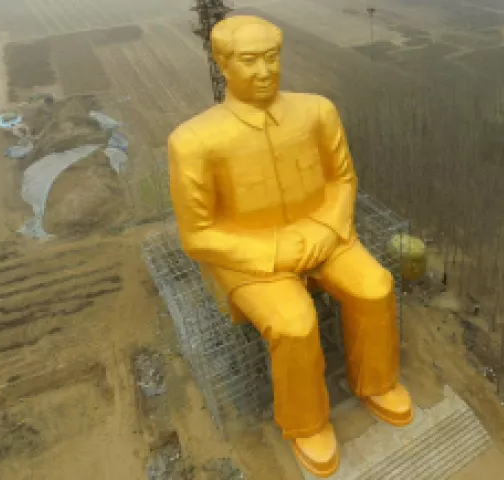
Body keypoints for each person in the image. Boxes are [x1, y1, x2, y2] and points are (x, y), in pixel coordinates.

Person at [167, 15, 412, 477]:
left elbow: (342, 179)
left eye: (271, 58)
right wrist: (276, 253)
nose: (263, 72)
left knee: (375, 286)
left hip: (324, 232)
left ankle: (376, 382)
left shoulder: (317, 111)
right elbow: (197, 234)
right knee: (296, 325)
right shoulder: (194, 141)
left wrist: (327, 228)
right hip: (251, 255)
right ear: (222, 64)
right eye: (248, 61)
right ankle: (306, 423)